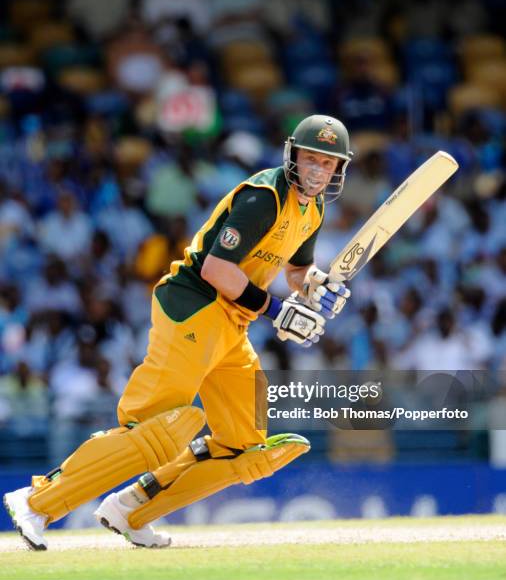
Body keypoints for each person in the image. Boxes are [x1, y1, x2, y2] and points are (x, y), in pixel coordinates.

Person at [4, 115, 353, 550]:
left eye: (328, 162)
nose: (318, 169)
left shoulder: (314, 208)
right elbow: (216, 268)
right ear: (293, 156)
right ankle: (37, 501)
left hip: (232, 325)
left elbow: (296, 269)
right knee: (155, 429)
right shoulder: (264, 197)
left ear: (339, 169)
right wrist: (277, 310)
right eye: (311, 158)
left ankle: (132, 510)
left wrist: (317, 283)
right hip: (195, 307)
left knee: (244, 448)